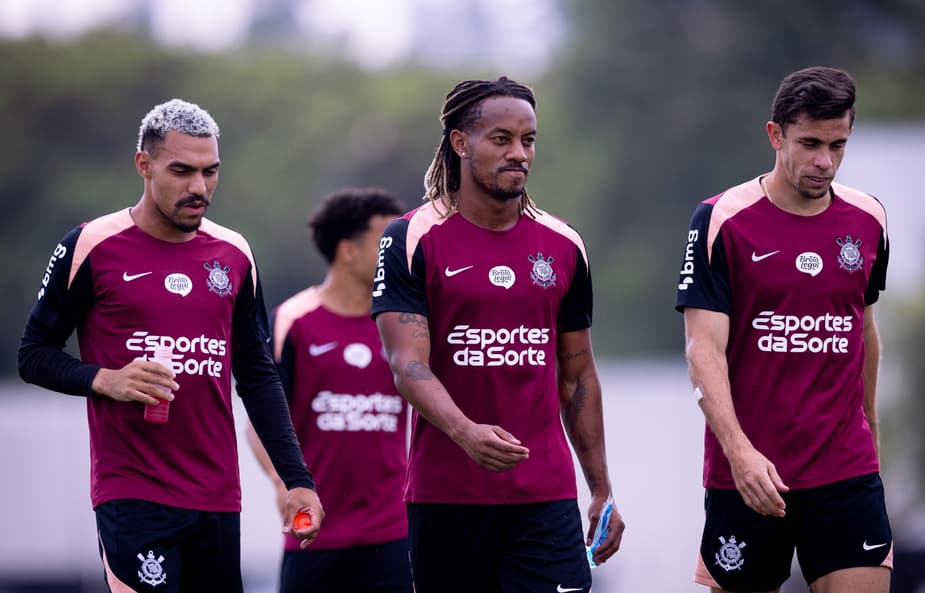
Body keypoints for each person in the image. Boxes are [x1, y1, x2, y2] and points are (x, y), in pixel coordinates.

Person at [17, 98, 324, 592]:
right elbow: (32, 355)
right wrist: (104, 379)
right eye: (181, 171)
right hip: (132, 493)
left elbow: (258, 376)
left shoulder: (234, 254)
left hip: (217, 497)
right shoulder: (91, 246)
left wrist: (296, 479)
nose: (198, 188)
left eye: (210, 172)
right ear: (144, 165)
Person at [371, 76, 625, 593]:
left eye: (528, 140)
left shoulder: (564, 245)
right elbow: (407, 364)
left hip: (544, 497)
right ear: (461, 143)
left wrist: (600, 488)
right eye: (502, 139)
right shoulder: (411, 238)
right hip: (446, 501)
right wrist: (466, 433)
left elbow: (577, 376)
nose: (519, 153)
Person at [676, 66, 893, 593]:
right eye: (811, 143)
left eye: (838, 145)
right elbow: (703, 350)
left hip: (845, 470)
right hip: (749, 476)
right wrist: (740, 452)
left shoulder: (869, 220)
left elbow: (863, 334)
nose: (825, 161)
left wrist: (872, 448)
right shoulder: (720, 220)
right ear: (775, 135)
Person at [246, 187, 410, 593]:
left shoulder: (406, 325)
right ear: (348, 250)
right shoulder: (292, 321)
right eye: (384, 242)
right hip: (314, 536)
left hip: (395, 534)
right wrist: (284, 484)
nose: (398, 252)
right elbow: (260, 423)